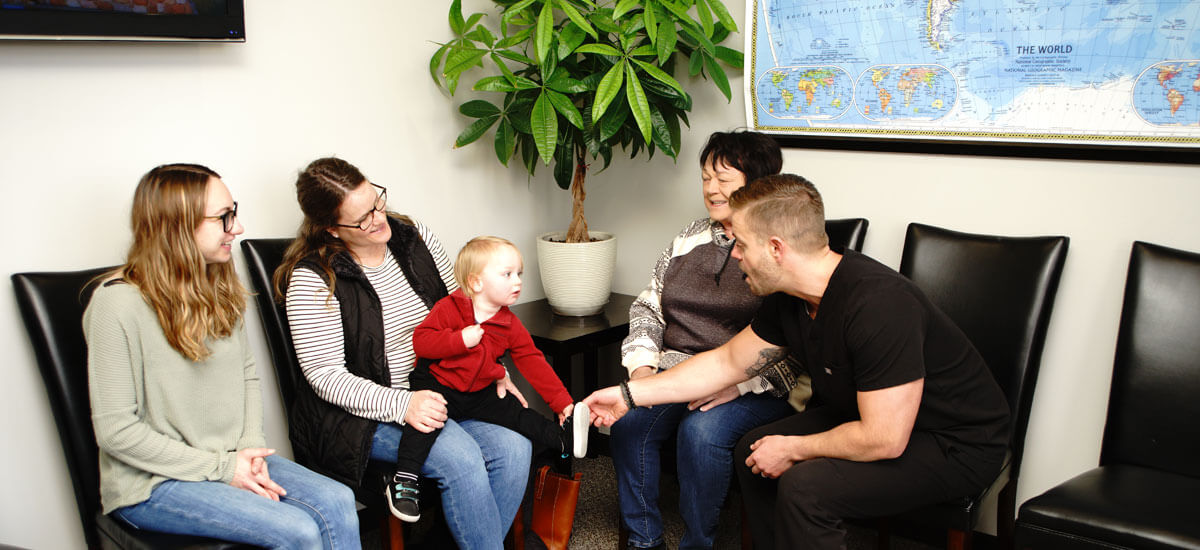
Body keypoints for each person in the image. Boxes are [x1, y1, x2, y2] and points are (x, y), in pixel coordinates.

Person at [585, 174, 1011, 550]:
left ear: (776, 248)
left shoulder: (879, 305)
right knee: (754, 454)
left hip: (951, 442)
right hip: (865, 416)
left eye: (742, 244)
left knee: (806, 486)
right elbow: (726, 363)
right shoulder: (788, 299)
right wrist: (629, 394)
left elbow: (885, 438)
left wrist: (795, 448)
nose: (734, 255)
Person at [85, 163, 360, 550]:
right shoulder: (115, 304)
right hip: (153, 484)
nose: (238, 227)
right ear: (176, 225)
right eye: (224, 217)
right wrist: (223, 468)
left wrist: (248, 448)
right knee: (296, 530)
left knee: (338, 500)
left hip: (230, 459)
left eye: (235, 212)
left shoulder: (218, 286)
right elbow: (117, 432)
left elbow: (247, 374)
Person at [274, 157, 532, 550]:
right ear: (331, 229)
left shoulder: (413, 238)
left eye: (376, 201)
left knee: (515, 446)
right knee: (460, 457)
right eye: (362, 219)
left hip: (439, 391)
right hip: (360, 415)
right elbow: (326, 376)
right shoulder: (314, 279)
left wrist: (492, 368)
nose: (379, 219)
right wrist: (403, 404)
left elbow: (462, 308)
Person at [613, 130, 799, 550]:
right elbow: (648, 305)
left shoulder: (777, 248)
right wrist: (643, 369)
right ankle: (645, 541)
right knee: (630, 418)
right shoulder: (688, 237)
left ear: (757, 183)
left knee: (701, 432)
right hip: (676, 369)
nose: (710, 189)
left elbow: (797, 343)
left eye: (722, 178)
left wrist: (740, 384)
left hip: (752, 384)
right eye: (704, 178)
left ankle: (698, 543)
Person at [391, 236, 590, 521]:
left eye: (519, 274)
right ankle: (405, 481)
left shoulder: (510, 323)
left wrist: (562, 404)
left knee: (518, 413)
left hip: (480, 390)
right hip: (438, 383)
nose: (517, 281)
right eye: (507, 274)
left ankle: (562, 439)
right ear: (476, 283)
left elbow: (533, 362)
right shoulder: (450, 307)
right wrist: (460, 340)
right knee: (426, 421)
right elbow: (422, 343)